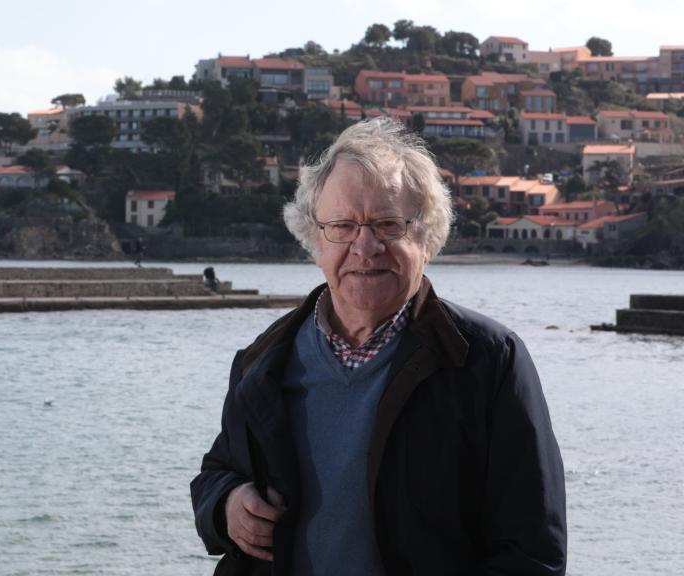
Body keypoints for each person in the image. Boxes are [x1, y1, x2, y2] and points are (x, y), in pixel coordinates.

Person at [190, 118, 566, 575]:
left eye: (388, 224)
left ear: (427, 237)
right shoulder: (263, 360)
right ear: (316, 242)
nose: (365, 247)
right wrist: (225, 504)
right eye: (343, 226)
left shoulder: (487, 360)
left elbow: (531, 553)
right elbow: (218, 469)